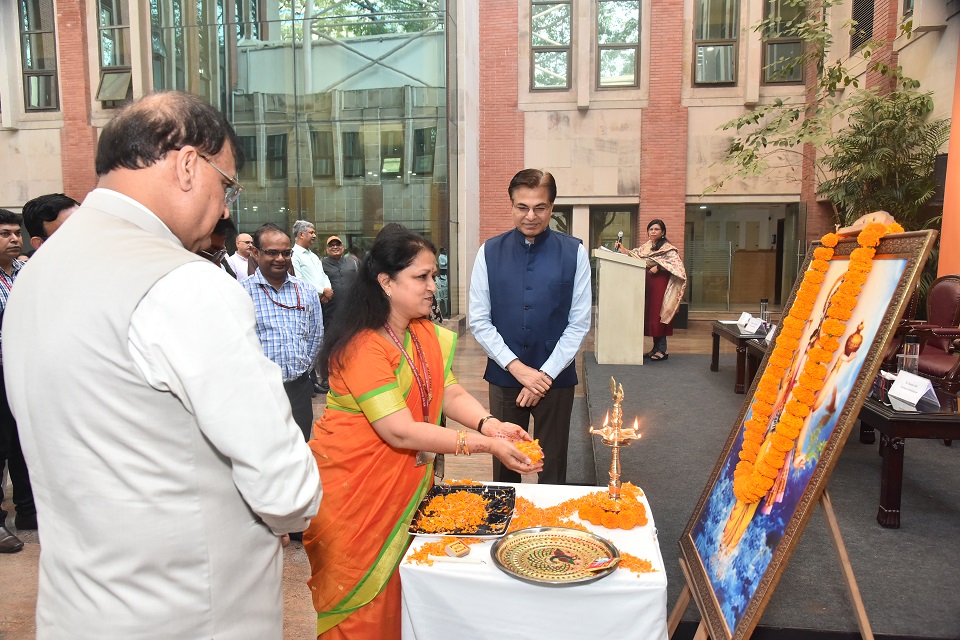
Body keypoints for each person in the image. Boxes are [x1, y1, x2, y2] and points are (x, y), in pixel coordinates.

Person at [2, 91, 321, 639]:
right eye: (228, 185)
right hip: (192, 613)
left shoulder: (36, 272)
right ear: (189, 164)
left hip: (76, 609)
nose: (226, 210)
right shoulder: (185, 283)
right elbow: (286, 491)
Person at [304, 223, 541, 639]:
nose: (433, 286)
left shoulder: (420, 331)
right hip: (356, 493)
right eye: (422, 276)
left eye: (435, 275)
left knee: (404, 595)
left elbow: (446, 389)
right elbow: (399, 432)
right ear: (386, 282)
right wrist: (484, 446)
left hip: (404, 485)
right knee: (363, 608)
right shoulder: (363, 346)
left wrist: (491, 425)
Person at [468, 168, 591, 485]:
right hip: (505, 377)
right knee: (506, 466)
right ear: (511, 205)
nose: (531, 216)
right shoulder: (488, 252)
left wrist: (544, 376)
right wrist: (518, 369)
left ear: (552, 207)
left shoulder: (574, 252)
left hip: (556, 379)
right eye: (522, 207)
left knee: (553, 465)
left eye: (540, 207)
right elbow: (479, 320)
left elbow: (578, 323)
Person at [242, 223, 324, 441]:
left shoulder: (306, 291)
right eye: (272, 253)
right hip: (258, 392)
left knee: (300, 446)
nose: (280, 258)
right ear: (256, 253)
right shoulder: (241, 292)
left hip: (298, 390)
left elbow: (316, 335)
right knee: (262, 448)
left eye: (286, 253)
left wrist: (301, 369)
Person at [0, 210, 33, 554]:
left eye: (15, 233)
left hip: (24, 371)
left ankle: (27, 509)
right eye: (4, 234)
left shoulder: (26, 272)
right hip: (0, 370)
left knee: (24, 442)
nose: (13, 239)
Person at [616, 218, 687, 361]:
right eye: (651, 229)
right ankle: (655, 348)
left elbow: (677, 265)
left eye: (656, 229)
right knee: (651, 315)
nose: (653, 232)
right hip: (648, 283)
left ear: (663, 232)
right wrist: (622, 250)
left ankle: (662, 350)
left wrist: (659, 267)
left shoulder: (668, 248)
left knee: (659, 315)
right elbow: (635, 255)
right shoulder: (646, 247)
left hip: (661, 284)